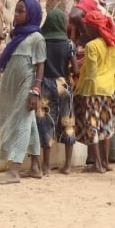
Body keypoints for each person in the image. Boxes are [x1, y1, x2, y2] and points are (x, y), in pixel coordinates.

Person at [0, 0, 45, 185]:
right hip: (10, 86)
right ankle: (36, 167)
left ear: (31, 13)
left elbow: (40, 65)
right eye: (16, 10)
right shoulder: (16, 36)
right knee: (28, 123)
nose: (16, 14)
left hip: (26, 85)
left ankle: (14, 170)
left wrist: (35, 90)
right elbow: (10, 58)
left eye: (21, 11)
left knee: (21, 122)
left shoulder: (37, 38)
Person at [73, 10, 115, 174]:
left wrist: (86, 95)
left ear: (93, 28)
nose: (85, 29)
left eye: (87, 26)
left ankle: (97, 164)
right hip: (109, 90)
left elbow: (91, 73)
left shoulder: (92, 46)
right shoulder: (113, 44)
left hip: (94, 91)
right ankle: (106, 163)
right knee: (106, 126)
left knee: (92, 126)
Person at [36, 9, 78, 175]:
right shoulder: (69, 45)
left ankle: (46, 165)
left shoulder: (41, 43)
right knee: (68, 122)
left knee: (46, 122)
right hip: (64, 85)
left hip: (45, 84)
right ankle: (67, 165)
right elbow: (74, 69)